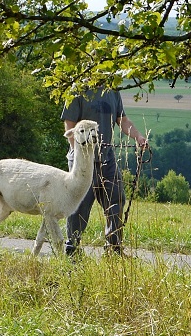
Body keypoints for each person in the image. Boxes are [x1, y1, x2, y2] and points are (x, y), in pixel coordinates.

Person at [62, 86, 148, 256]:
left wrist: (138, 137)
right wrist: (79, 155)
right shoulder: (77, 89)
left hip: (107, 160)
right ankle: (72, 248)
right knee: (79, 206)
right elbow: (69, 126)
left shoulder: (112, 90)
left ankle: (114, 249)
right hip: (83, 163)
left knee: (116, 201)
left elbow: (122, 120)